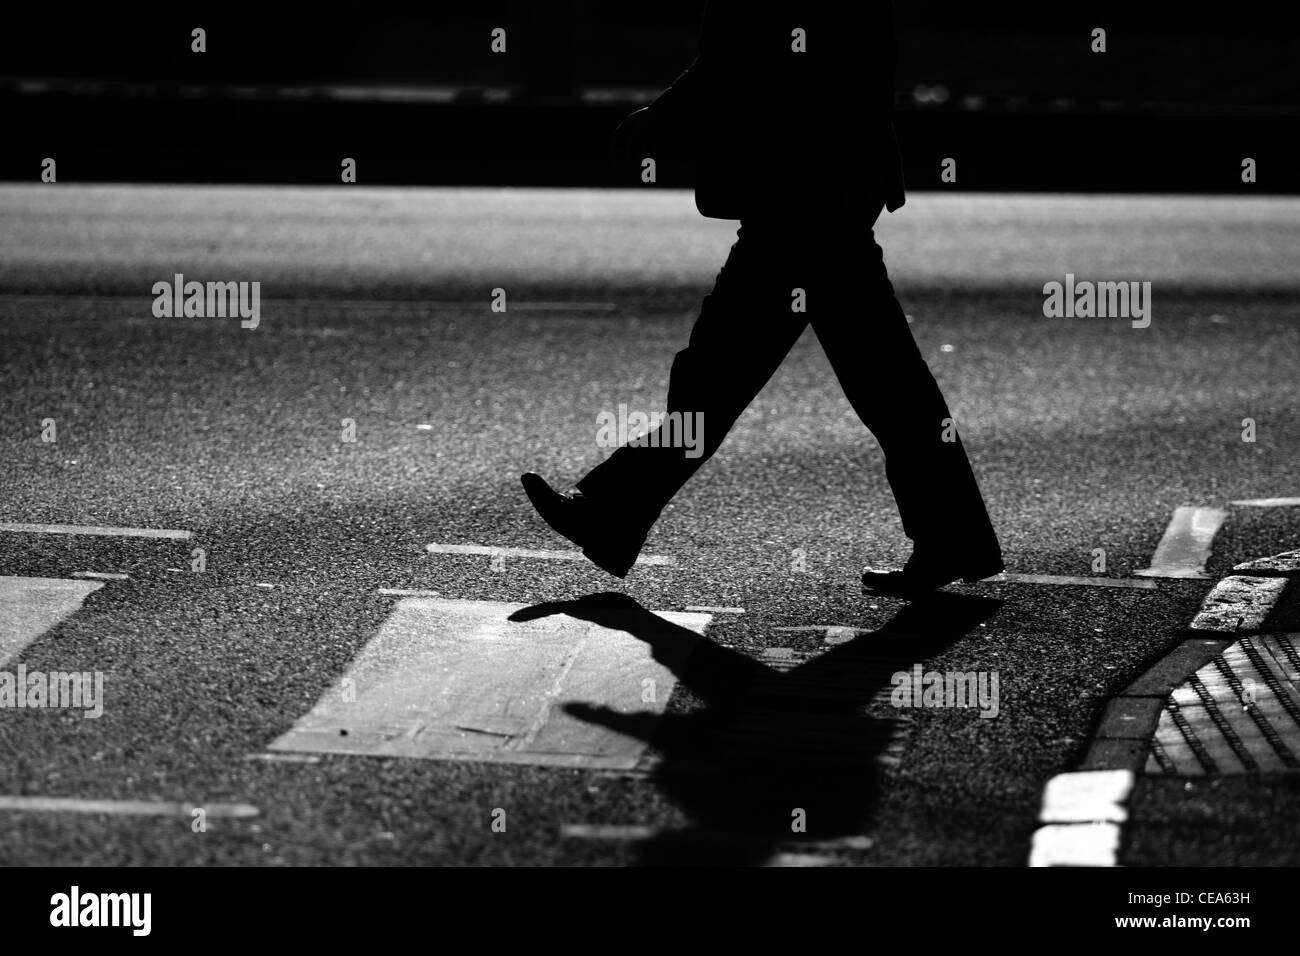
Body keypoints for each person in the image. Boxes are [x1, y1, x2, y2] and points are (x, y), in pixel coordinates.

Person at [522, 0, 1003, 596]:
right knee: (883, 385)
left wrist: (662, 118)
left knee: (731, 377)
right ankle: (954, 538)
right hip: (818, 197)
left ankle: (611, 511)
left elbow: (741, 60)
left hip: (799, 201)